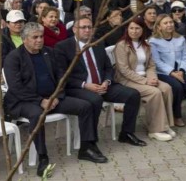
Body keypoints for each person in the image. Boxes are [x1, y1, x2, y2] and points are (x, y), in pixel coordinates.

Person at [4, 22, 103, 173]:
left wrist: (57, 95)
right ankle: (43, 157)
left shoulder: (49, 52)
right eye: (35, 37)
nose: (39, 40)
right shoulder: (14, 57)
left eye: (41, 36)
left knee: (85, 106)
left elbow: (61, 77)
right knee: (37, 115)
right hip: (24, 101)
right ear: (24, 39)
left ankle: (86, 147)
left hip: (52, 98)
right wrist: (40, 101)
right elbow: (16, 88)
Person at [54, 16, 147, 147]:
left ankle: (127, 133)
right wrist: (85, 85)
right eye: (83, 27)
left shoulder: (97, 43)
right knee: (95, 100)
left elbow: (108, 67)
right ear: (74, 29)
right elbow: (62, 75)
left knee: (133, 95)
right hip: (79, 88)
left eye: (89, 27)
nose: (87, 30)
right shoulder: (63, 47)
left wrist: (107, 81)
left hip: (103, 85)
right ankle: (91, 142)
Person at [114, 18, 175, 142]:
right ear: (127, 29)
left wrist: (152, 78)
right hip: (127, 79)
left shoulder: (146, 45)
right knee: (154, 92)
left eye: (137, 28)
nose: (134, 31)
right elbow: (124, 70)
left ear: (142, 30)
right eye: (131, 28)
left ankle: (164, 125)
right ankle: (155, 130)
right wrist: (146, 82)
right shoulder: (121, 45)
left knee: (166, 88)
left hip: (145, 77)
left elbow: (151, 65)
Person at [149, 14, 186, 129]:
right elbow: (156, 62)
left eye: (171, 22)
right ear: (159, 27)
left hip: (181, 70)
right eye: (165, 23)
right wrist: (171, 72)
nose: (169, 25)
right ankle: (176, 115)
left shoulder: (180, 38)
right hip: (164, 72)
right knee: (176, 86)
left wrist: (181, 70)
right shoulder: (154, 41)